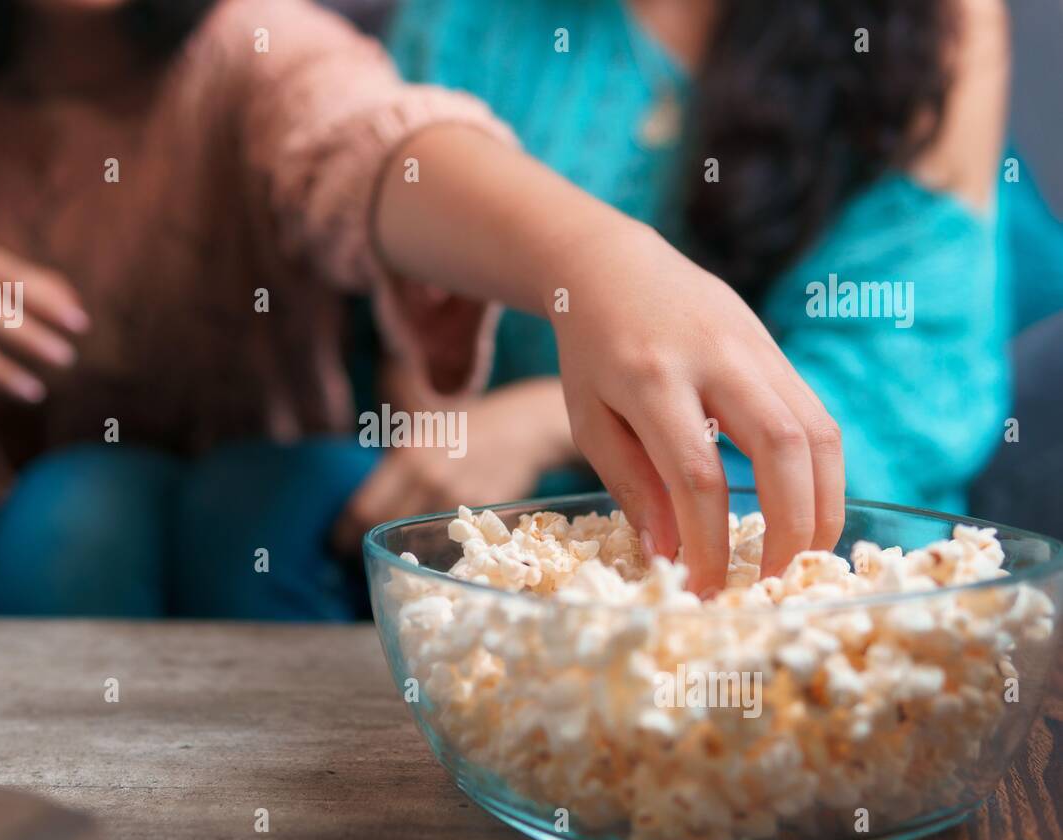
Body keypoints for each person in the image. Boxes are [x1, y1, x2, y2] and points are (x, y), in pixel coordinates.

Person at [0, 0, 842, 618]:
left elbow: (375, 149)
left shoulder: (254, 51)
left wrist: (594, 258)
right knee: (33, 495)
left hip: (243, 483)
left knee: (94, 507)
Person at [368, 0, 1023, 534]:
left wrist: (545, 422)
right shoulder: (466, 19)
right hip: (502, 512)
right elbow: (414, 296)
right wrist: (441, 438)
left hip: (781, 498)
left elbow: (890, 380)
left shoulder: (932, 23)